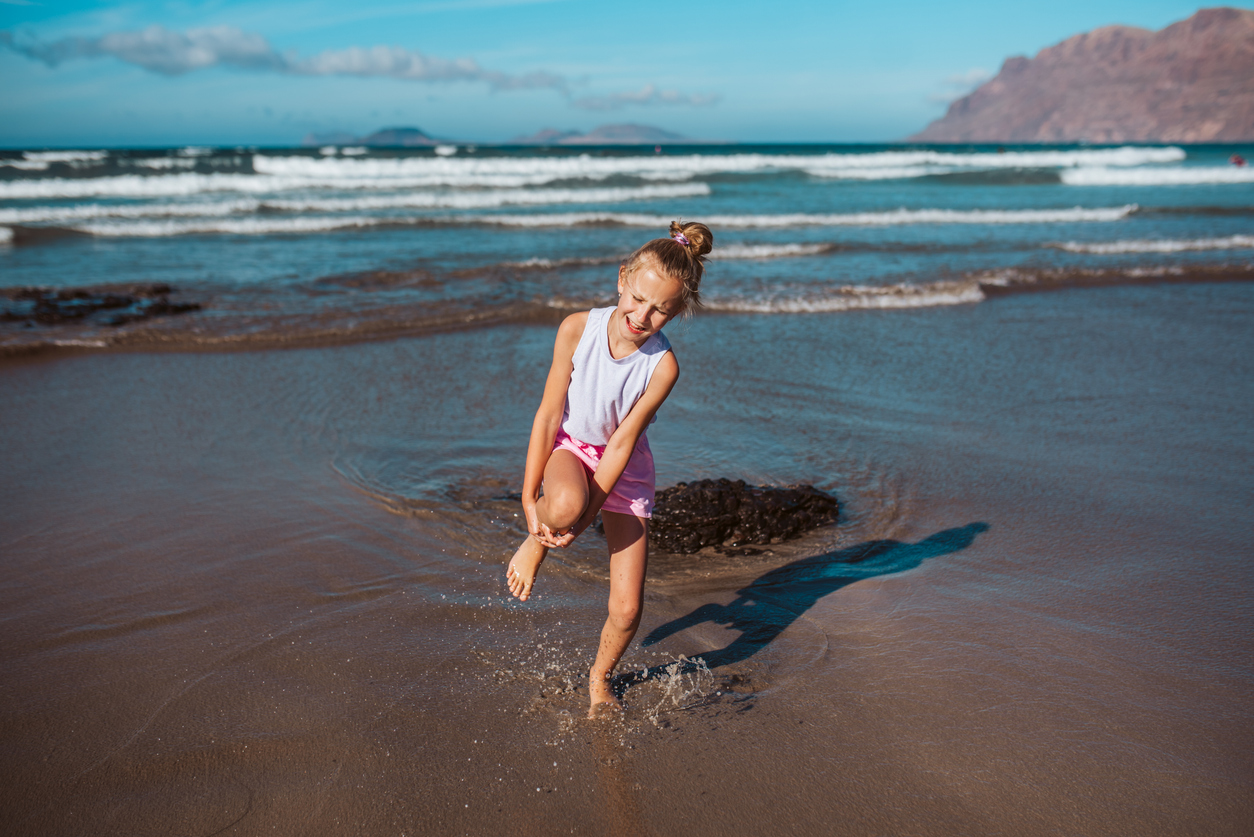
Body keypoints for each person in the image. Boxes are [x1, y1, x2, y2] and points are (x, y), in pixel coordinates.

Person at [505, 220, 713, 714]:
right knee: (564, 505)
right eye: (638, 298)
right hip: (571, 449)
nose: (642, 316)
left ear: (679, 310)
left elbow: (621, 445)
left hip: (627, 470)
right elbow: (549, 413)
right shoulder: (578, 328)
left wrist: (587, 522)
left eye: (661, 309)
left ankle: (600, 677)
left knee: (626, 608)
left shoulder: (663, 368)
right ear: (622, 278)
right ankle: (536, 542)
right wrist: (526, 495)